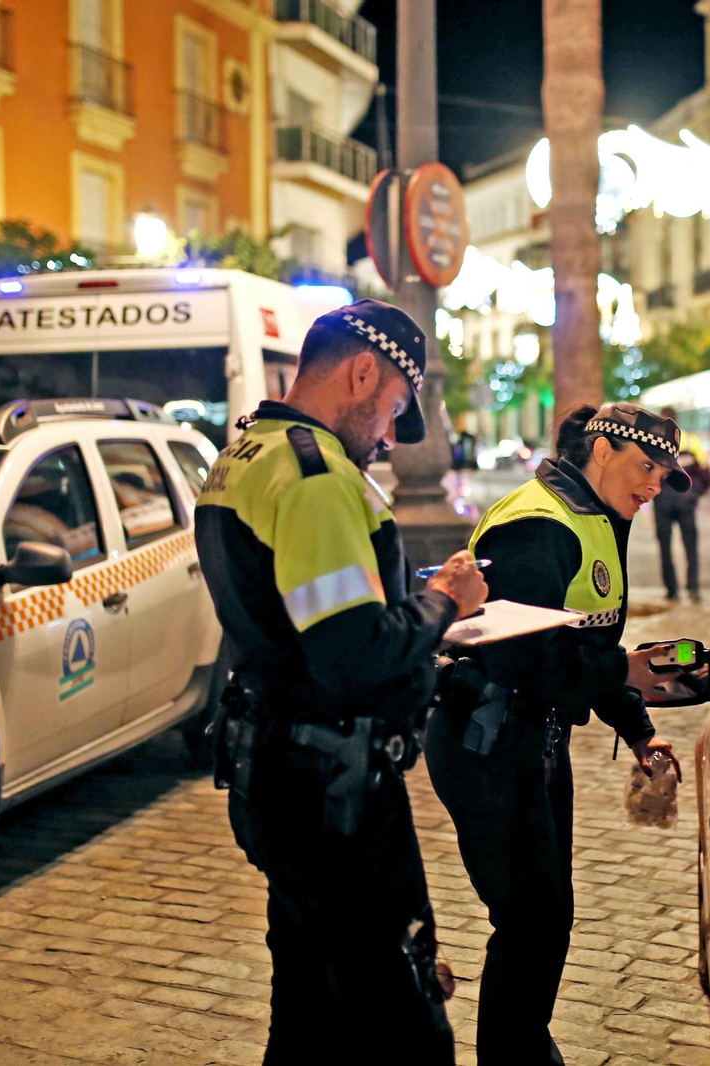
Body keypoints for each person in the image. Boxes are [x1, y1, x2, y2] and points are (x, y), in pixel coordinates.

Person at [194, 299, 489, 1065]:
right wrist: (444, 603)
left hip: (279, 776)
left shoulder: (245, 454)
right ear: (362, 372)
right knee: (404, 1029)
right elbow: (353, 650)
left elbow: (305, 616)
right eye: (393, 408)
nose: (389, 436)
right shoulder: (317, 475)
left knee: (308, 1016)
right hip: (336, 797)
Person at [425, 402, 689, 1065]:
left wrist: (637, 728)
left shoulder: (596, 515)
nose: (654, 485)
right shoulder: (539, 525)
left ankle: (521, 1050)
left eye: (664, 475)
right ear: (601, 450)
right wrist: (623, 672)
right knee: (530, 918)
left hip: (535, 742)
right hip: (487, 743)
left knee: (545, 916)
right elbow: (522, 659)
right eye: (646, 467)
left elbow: (588, 642)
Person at [652, 405, 710, 604]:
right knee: (691, 547)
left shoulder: (654, 443)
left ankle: (672, 592)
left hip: (662, 502)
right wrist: (697, 493)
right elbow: (705, 471)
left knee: (665, 547)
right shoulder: (691, 440)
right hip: (686, 500)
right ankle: (693, 589)